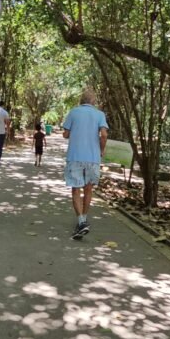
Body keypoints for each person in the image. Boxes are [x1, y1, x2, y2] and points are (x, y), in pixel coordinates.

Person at [62, 89, 108, 240]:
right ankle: (84, 220)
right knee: (88, 189)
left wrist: (73, 132)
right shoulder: (100, 115)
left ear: (81, 100)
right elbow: (104, 134)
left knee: (76, 189)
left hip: (75, 155)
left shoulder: (73, 112)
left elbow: (66, 134)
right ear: (93, 102)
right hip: (93, 157)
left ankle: (81, 222)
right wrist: (101, 149)